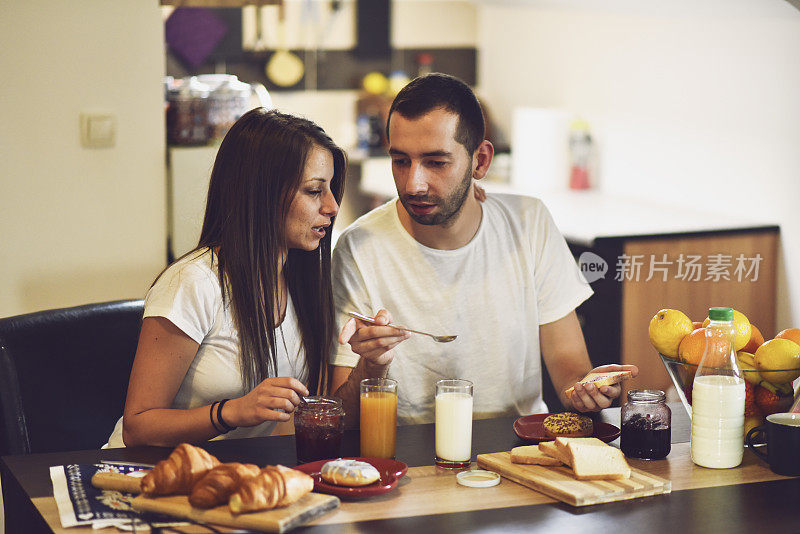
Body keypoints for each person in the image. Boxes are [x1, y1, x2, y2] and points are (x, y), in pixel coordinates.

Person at [330, 73, 637, 425]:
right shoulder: (359, 247)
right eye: (401, 161)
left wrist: (584, 391)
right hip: (404, 459)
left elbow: (570, 370)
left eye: (436, 162)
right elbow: (342, 419)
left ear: (481, 161)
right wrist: (371, 364)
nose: (413, 183)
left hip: (516, 448)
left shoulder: (529, 223)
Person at [106, 108, 345, 447]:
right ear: (261, 193)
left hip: (234, 477)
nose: (333, 207)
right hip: (147, 475)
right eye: (313, 191)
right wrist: (231, 412)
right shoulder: (193, 283)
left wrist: (371, 362)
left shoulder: (303, 280)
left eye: (332, 189)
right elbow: (138, 428)